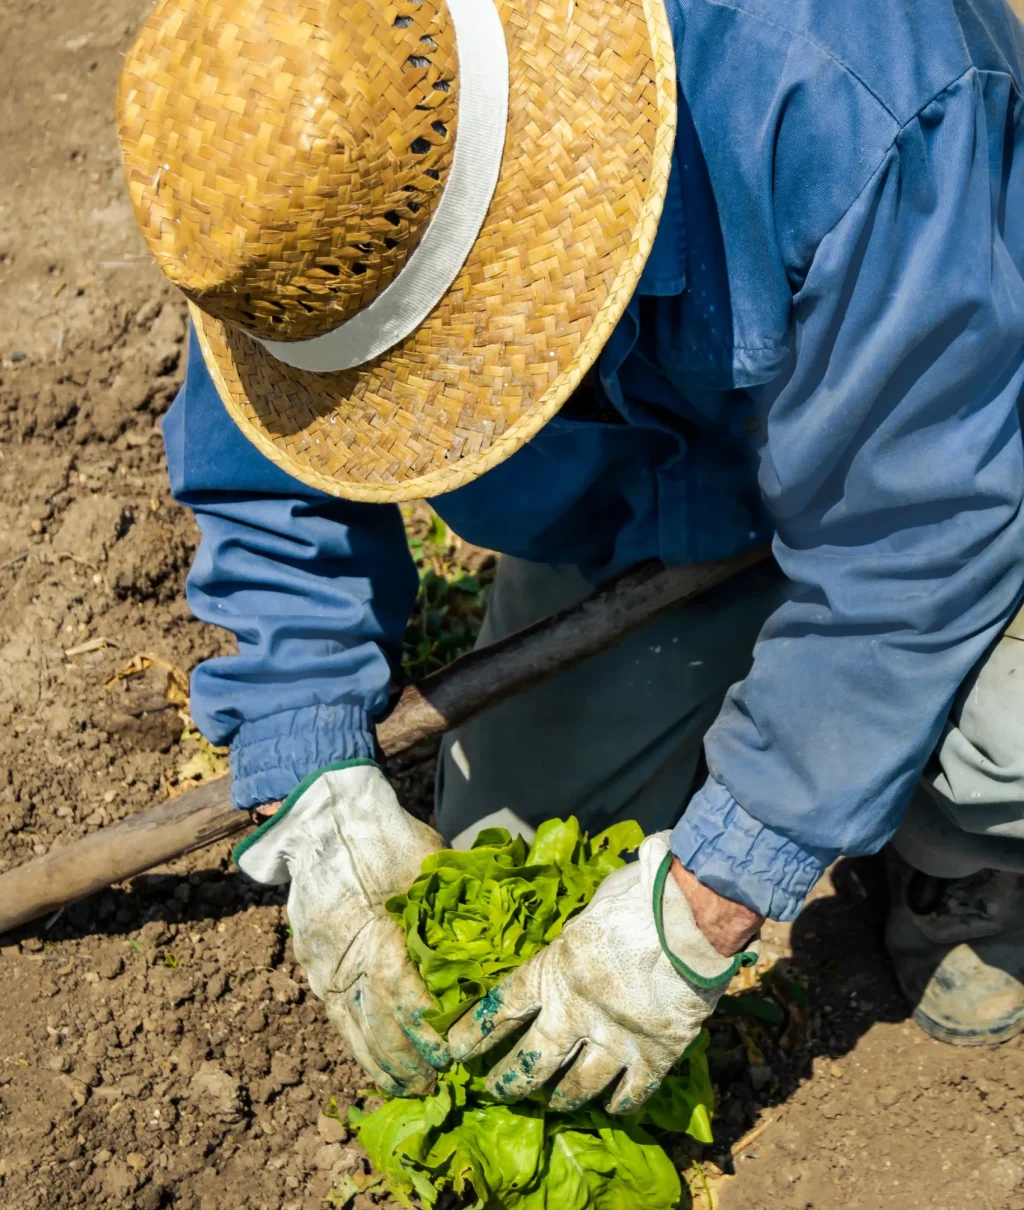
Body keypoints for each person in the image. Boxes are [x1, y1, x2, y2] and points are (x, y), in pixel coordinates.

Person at [116, 0, 1024, 1107]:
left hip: (957, 461)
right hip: (646, 521)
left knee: (1008, 746)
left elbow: (918, 533)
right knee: (511, 874)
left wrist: (712, 896)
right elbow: (268, 467)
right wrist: (308, 764)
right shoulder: (310, 127)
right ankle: (788, 730)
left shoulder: (844, 85)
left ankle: (955, 858)